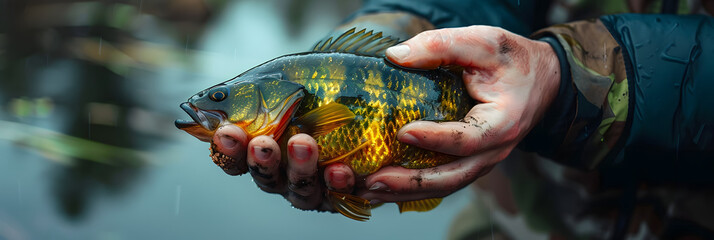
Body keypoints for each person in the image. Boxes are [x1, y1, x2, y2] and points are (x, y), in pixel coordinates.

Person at [209, 0, 714, 238]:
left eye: (224, 96)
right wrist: (409, 19)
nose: (214, 106)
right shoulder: (284, 102)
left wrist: (564, 79)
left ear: (267, 96)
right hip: (521, 221)